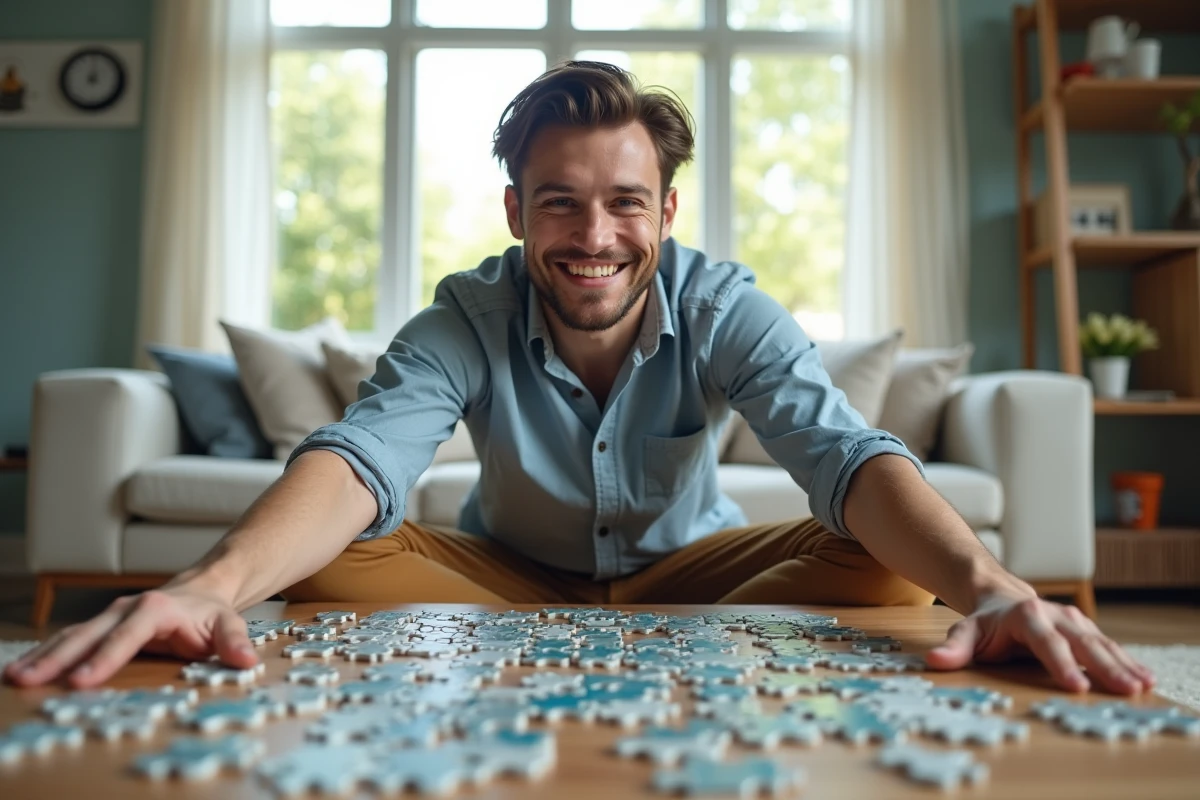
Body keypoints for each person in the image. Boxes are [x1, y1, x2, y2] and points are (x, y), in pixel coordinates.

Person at [5, 62, 1153, 697]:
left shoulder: (722, 302)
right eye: (559, 200)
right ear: (516, 210)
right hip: (502, 579)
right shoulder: (468, 308)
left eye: (624, 202)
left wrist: (995, 584)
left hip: (701, 578)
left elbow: (842, 452)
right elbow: (364, 453)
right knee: (317, 554)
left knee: (895, 557)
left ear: (664, 211)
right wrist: (213, 581)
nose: (592, 234)